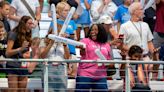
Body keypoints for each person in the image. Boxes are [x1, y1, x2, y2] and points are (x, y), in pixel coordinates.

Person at [40, 2, 75, 92]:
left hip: (63, 62)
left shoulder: (71, 22)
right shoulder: (54, 22)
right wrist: (52, 42)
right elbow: (42, 55)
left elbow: (73, 37)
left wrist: (64, 42)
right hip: (49, 66)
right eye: (65, 10)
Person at [75, 24, 113, 92]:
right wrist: (82, 49)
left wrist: (108, 63)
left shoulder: (107, 45)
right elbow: (82, 53)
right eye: (91, 30)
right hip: (85, 74)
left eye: (95, 30)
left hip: (101, 76)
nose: (92, 32)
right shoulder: (85, 41)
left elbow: (110, 62)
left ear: (101, 31)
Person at [5, 16, 38, 92]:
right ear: (23, 24)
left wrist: (31, 52)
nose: (32, 25)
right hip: (13, 65)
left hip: (23, 65)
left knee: (22, 90)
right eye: (29, 23)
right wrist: (20, 49)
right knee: (13, 90)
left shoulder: (28, 34)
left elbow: (27, 53)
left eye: (32, 23)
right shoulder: (13, 33)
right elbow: (7, 53)